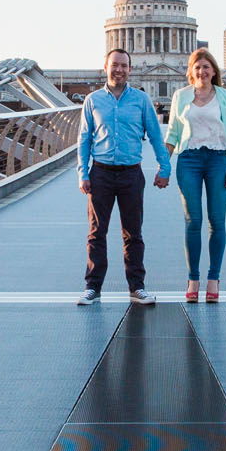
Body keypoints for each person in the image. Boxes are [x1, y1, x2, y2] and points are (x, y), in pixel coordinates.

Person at [77, 47, 171, 305]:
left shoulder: (141, 100)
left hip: (131, 173)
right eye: (114, 65)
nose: (118, 70)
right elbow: (84, 139)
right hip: (101, 173)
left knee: (133, 233)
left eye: (123, 66)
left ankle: (137, 287)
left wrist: (165, 168)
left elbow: (154, 135)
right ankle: (92, 287)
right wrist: (82, 172)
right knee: (96, 233)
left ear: (130, 69)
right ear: (105, 68)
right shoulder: (93, 100)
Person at [163, 46, 226, 303]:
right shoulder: (180, 96)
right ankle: (193, 279)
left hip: (218, 159)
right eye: (198, 67)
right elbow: (172, 133)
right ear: (191, 71)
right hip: (189, 159)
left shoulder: (225, 96)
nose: (202, 71)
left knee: (217, 220)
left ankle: (213, 279)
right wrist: (164, 165)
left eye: (207, 67)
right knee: (192, 221)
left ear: (214, 70)